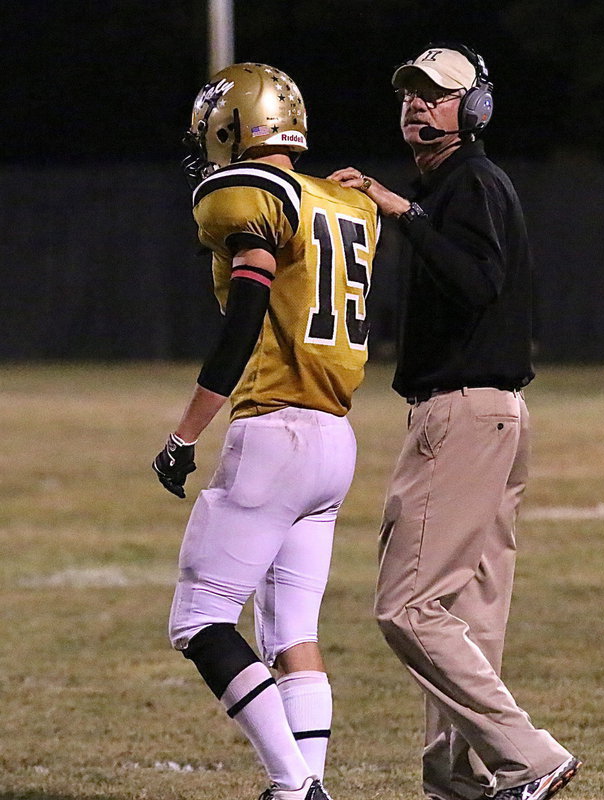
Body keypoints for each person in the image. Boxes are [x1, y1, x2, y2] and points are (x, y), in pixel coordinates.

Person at [329, 44, 581, 800]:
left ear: (473, 110)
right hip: (493, 416)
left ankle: (528, 758)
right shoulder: (454, 186)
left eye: (436, 94)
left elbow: (477, 283)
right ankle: (463, 784)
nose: (417, 103)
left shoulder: (465, 183)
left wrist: (402, 211)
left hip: (465, 415)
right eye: (408, 91)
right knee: (465, 618)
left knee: (406, 605)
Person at [152, 62, 379, 800]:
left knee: (199, 621)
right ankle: (308, 784)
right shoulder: (348, 203)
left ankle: (291, 787)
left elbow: (249, 302)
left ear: (231, 127)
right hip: (334, 439)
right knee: (292, 640)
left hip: (275, 431)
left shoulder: (248, 193)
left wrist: (185, 433)